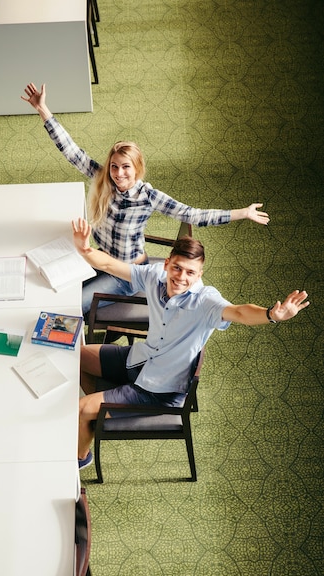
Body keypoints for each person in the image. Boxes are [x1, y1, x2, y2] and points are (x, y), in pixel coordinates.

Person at [71, 218, 309, 469]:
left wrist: (271, 315)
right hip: (140, 359)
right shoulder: (153, 276)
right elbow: (111, 264)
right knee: (75, 356)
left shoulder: (206, 301)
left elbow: (239, 312)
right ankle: (97, 414)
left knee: (81, 409)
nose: (181, 277)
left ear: (200, 275)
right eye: (177, 268)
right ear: (167, 264)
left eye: (190, 272)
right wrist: (85, 249)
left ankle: (81, 454)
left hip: (159, 390)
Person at [21, 83, 270, 315]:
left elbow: (193, 215)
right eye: (115, 166)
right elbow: (71, 150)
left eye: (126, 167)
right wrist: (42, 108)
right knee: (52, 288)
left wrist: (242, 213)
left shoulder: (148, 197)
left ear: (137, 168)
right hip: (98, 257)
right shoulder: (103, 179)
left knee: (71, 306)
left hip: (125, 274)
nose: (119, 174)